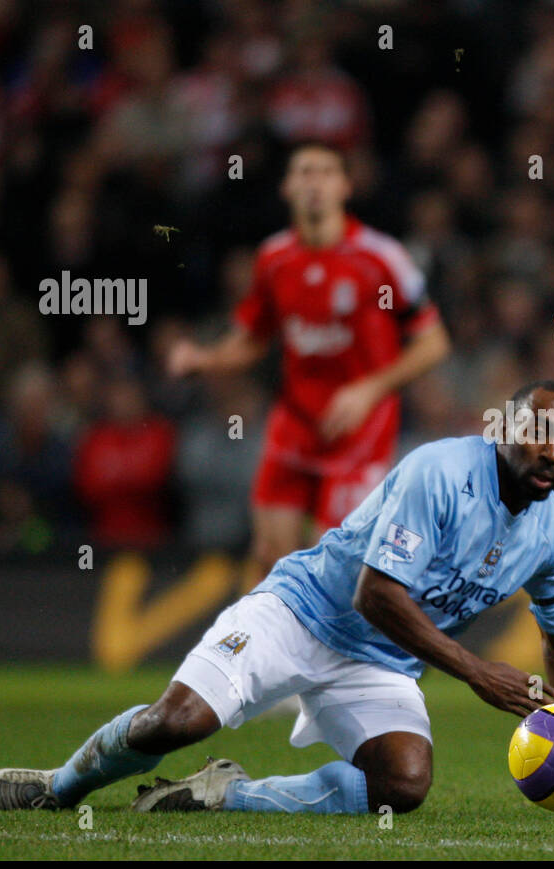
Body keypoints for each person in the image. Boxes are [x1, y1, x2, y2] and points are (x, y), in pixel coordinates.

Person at [0, 382, 554, 815]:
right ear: (502, 429)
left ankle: (223, 792)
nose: (552, 452)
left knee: (404, 784)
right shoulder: (440, 471)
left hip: (380, 662)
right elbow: (376, 593)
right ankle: (59, 786)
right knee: (173, 723)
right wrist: (477, 671)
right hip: (300, 611)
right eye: (539, 432)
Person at [168, 142, 451, 580]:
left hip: (361, 428)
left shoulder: (381, 257)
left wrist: (369, 388)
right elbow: (253, 340)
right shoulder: (274, 258)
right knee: (270, 556)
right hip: (297, 422)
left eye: (324, 172)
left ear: (345, 186)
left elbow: (433, 343)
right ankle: (278, 647)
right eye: (303, 172)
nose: (314, 181)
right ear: (286, 187)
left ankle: (349, 644)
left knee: (333, 563)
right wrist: (203, 359)